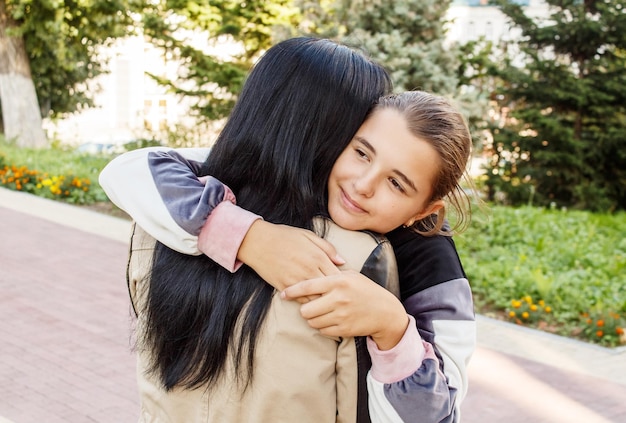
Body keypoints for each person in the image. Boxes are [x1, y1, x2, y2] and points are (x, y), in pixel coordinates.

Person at [101, 38, 475, 422]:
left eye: (397, 183)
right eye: (359, 150)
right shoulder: (228, 193)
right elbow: (129, 169)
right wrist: (250, 238)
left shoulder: (420, 255)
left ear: (424, 211)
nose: (364, 184)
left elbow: (439, 412)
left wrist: (391, 325)